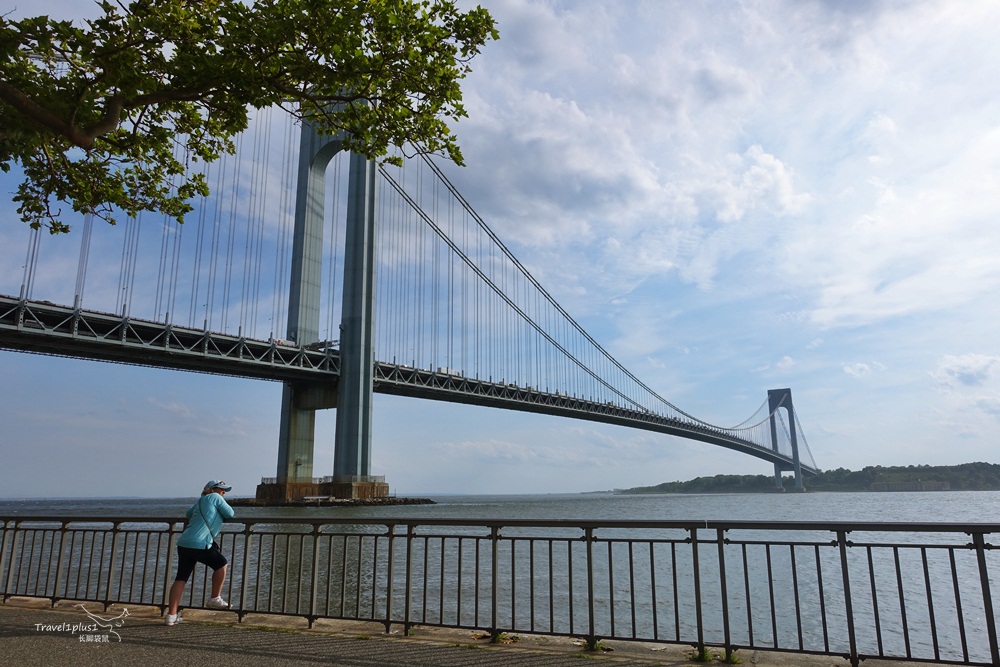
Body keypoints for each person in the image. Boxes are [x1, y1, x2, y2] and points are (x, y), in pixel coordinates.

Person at [165, 480, 235, 626]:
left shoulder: (201, 500)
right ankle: (215, 598)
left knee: (181, 578)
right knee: (222, 564)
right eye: (220, 489)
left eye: (224, 490)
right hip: (200, 543)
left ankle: (171, 616)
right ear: (212, 489)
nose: (223, 492)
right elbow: (230, 513)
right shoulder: (216, 498)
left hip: (184, 543)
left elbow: (188, 514)